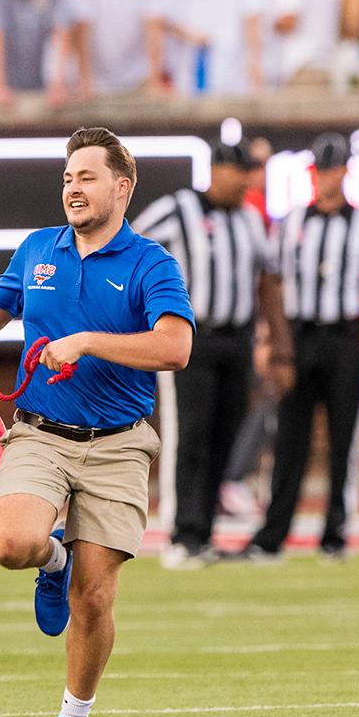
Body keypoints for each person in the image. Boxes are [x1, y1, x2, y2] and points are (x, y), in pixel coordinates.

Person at [0, 127, 193, 717]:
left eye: (86, 177)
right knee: (13, 544)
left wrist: (87, 340)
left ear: (121, 187)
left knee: (96, 596)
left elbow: (175, 347)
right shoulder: (37, 249)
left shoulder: (150, 263)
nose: (73, 189)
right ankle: (53, 563)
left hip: (119, 446)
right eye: (67, 179)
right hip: (39, 433)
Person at [235, 132, 359, 561]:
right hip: (299, 335)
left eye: (332, 170)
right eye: (320, 170)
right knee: (289, 436)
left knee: (345, 436)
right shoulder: (292, 220)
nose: (325, 179)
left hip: (347, 336)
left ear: (345, 171)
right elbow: (271, 283)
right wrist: (268, 337)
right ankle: (273, 535)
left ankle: (335, 532)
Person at [133, 139, 284, 568]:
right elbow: (130, 250)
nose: (246, 180)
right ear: (217, 169)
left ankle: (205, 533)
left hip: (236, 339)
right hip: (189, 338)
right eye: (241, 171)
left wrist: (273, 341)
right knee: (189, 435)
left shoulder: (251, 219)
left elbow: (267, 278)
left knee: (224, 435)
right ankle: (181, 535)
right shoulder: (177, 208)